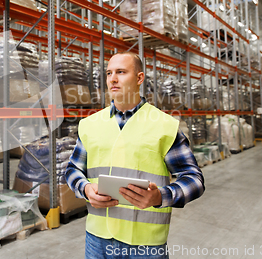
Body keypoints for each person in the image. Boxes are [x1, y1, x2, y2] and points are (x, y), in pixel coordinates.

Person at [66, 52, 205, 259]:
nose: (112, 79)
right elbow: (72, 170)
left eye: (121, 72)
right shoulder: (89, 125)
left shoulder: (164, 126)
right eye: (109, 73)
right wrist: (85, 188)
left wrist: (160, 196)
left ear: (139, 78)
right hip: (97, 238)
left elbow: (194, 180)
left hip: (146, 245)